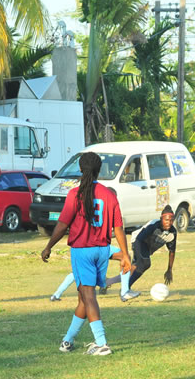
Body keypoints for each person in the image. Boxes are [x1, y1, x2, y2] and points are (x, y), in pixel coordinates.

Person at [41, 152, 131, 356]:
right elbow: (118, 227)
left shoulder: (75, 194)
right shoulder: (108, 194)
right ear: (99, 170)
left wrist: (49, 246)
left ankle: (102, 343)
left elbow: (63, 224)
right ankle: (67, 341)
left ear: (80, 170)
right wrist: (125, 254)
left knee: (88, 296)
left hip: (83, 251)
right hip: (102, 250)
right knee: (84, 297)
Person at [105, 205, 177, 299]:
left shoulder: (172, 233)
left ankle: (107, 282)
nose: (169, 223)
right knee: (144, 264)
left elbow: (172, 252)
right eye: (166, 220)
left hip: (146, 248)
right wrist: (142, 258)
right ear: (161, 218)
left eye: (171, 220)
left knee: (134, 269)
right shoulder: (154, 225)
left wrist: (169, 269)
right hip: (138, 241)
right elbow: (139, 239)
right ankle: (125, 290)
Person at [49, 245, 130, 301]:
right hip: (97, 246)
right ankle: (124, 292)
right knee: (125, 257)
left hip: (84, 247)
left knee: (78, 272)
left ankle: (56, 295)